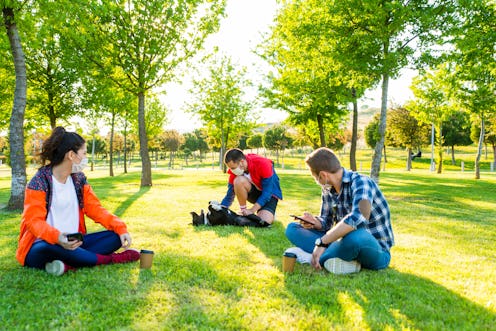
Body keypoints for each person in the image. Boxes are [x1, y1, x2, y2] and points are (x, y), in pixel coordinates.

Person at [16, 127, 140, 276]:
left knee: (115, 238)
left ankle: (67, 265)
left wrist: (120, 227)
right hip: (44, 244)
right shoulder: (39, 181)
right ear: (71, 155)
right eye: (84, 153)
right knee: (47, 247)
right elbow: (33, 221)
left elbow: (95, 209)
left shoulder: (79, 179)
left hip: (75, 241)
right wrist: (58, 237)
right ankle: (110, 259)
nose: (86, 158)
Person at [285, 147, 394, 274]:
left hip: (374, 249)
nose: (316, 181)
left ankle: (313, 258)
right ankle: (341, 259)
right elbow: (327, 221)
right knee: (293, 228)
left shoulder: (362, 182)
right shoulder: (327, 189)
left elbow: (358, 217)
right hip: (340, 242)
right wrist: (315, 222)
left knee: (355, 237)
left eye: (315, 177)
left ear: (323, 175)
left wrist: (322, 242)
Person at [220, 148, 282, 224]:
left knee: (264, 221)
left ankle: (268, 212)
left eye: (233, 168)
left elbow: (267, 192)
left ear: (241, 162)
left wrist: (252, 210)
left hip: (270, 195)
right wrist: (221, 208)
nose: (232, 171)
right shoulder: (235, 170)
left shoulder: (263, 164)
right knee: (238, 180)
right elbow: (230, 193)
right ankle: (243, 212)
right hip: (254, 194)